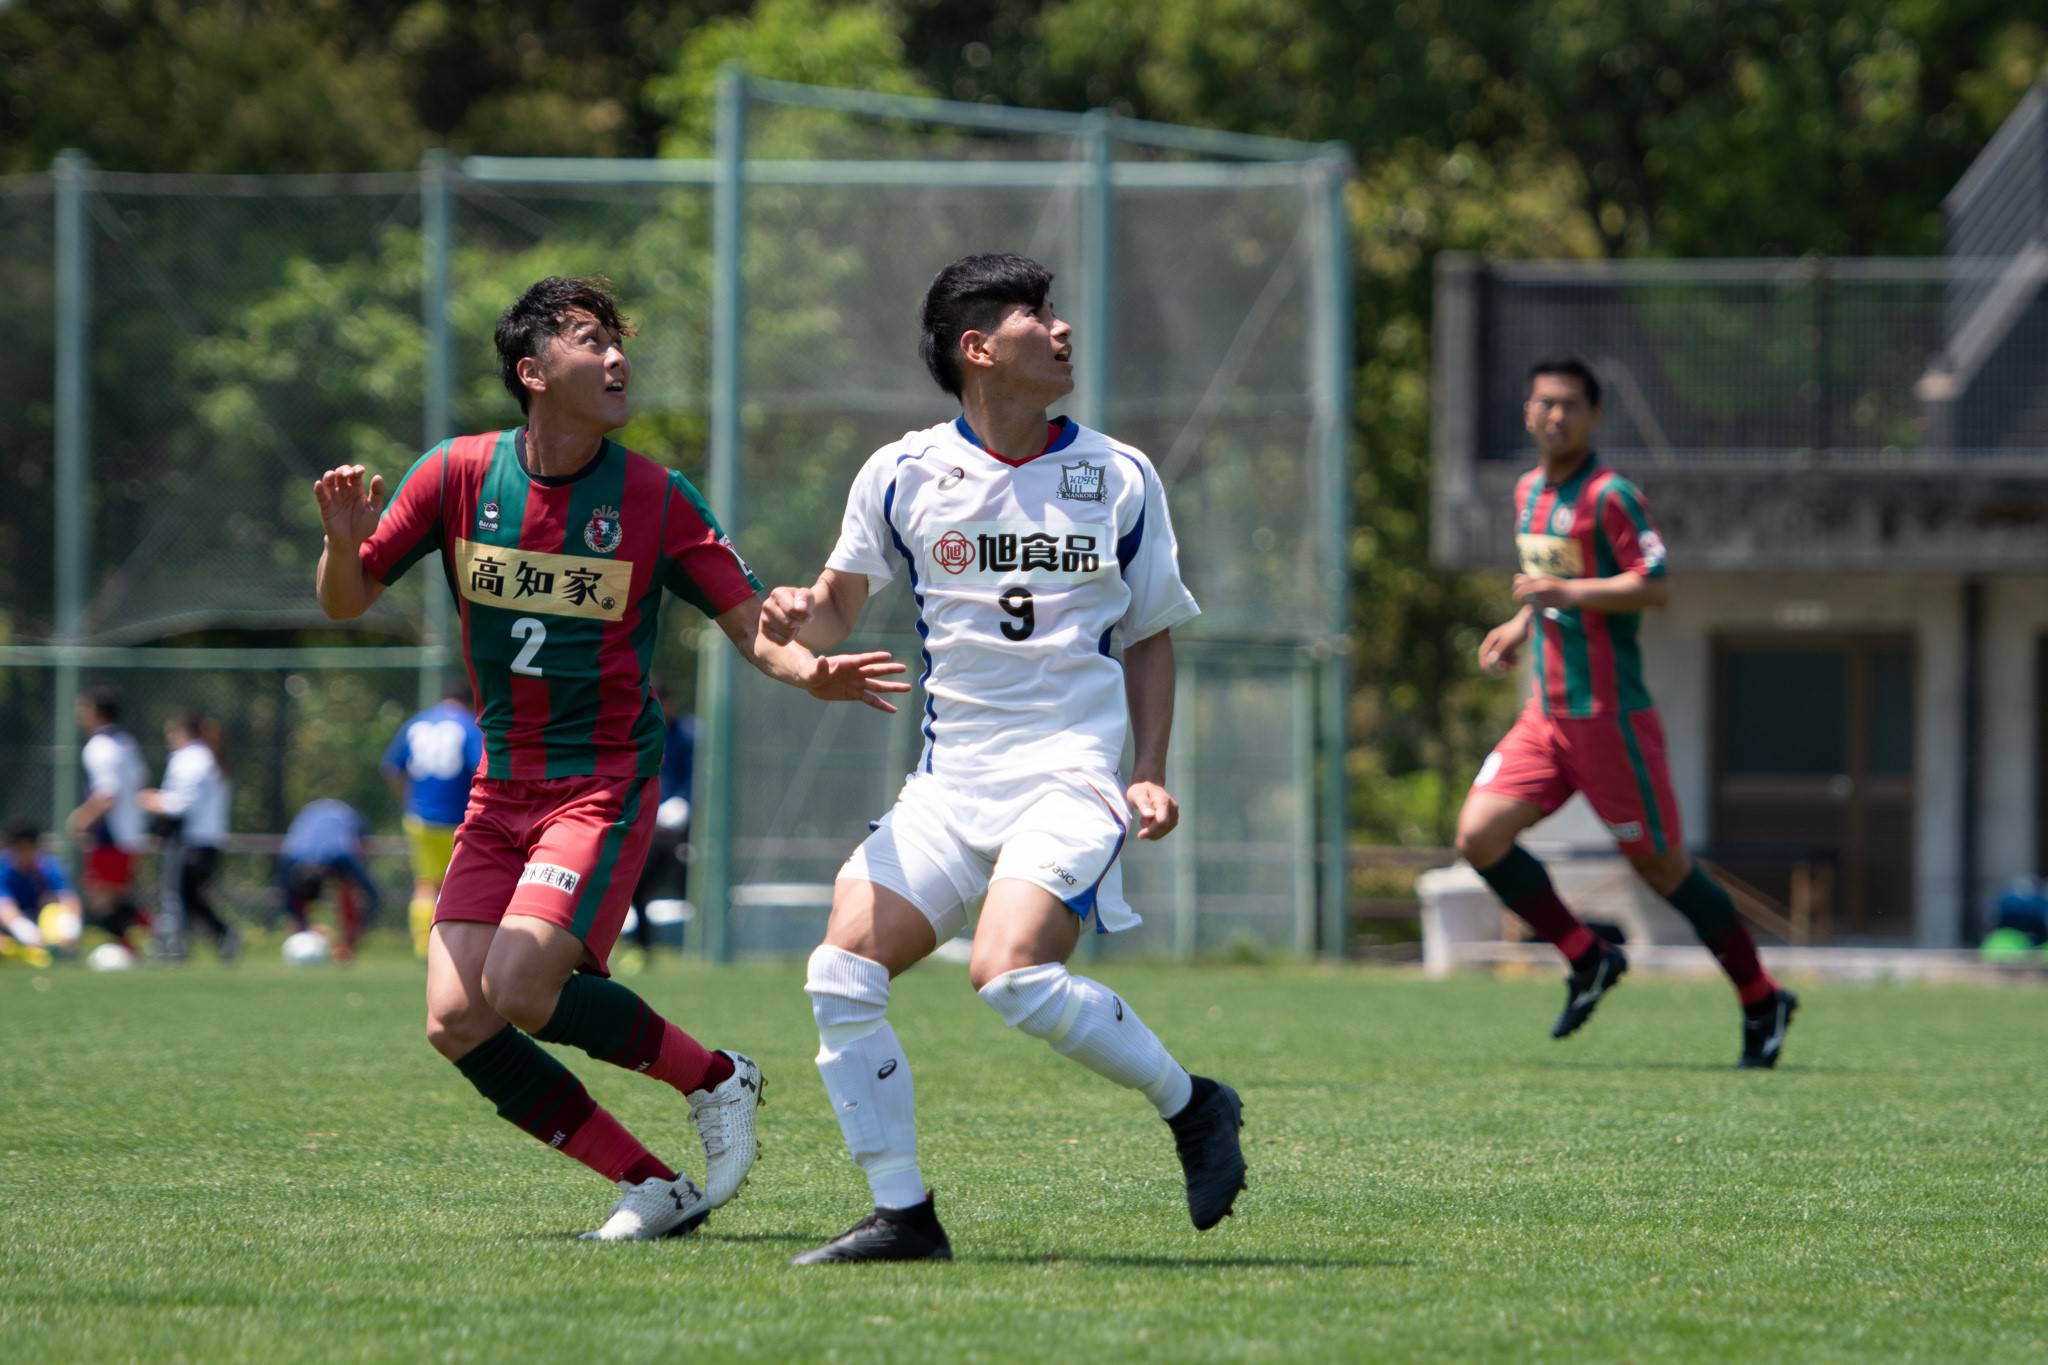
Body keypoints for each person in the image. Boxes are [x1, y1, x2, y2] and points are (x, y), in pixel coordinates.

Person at [311, 275, 909, 1241]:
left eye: (619, 340)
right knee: (456, 1018)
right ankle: (654, 1184)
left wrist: (809, 670)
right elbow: (346, 599)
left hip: (601, 784)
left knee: (518, 985)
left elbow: (751, 624)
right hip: (500, 787)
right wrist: (342, 546)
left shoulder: (655, 498)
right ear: (533, 371)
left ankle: (715, 1077)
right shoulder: (456, 474)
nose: (618, 356)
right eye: (590, 340)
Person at [762, 253, 1247, 1264]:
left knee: (1009, 972)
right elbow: (836, 603)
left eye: (1055, 310)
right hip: (947, 789)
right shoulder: (900, 472)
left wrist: (1149, 768)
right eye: (1036, 313)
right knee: (839, 973)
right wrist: (802, 615)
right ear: (977, 348)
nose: (1061, 329)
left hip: (1069, 778)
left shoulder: (1118, 474)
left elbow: (1150, 633)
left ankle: (1192, 1103)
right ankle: (903, 1216)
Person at [1456, 354, 1798, 1068]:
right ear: (1528, 411)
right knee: (1479, 836)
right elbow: (1547, 585)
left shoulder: (1611, 496)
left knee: (1663, 870)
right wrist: (1520, 626)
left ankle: (1761, 996)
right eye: (1545, 403)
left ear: (1594, 416)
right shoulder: (1527, 492)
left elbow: (1655, 584)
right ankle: (1588, 955)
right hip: (1546, 719)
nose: (1556, 415)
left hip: (1610, 722)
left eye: (1570, 405)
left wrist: (1567, 594)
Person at [382, 684, 485, 958]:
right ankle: (460, 946)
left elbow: (391, 767)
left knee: (426, 883)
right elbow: (481, 768)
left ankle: (423, 946)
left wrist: (408, 800)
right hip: (460, 819)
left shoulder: (417, 722)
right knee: (464, 884)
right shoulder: (468, 726)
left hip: (419, 819)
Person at [141, 710, 236, 962]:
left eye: (171, 733)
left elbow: (181, 804)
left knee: (174, 894)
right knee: (191, 897)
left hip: (188, 839)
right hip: (210, 840)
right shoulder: (209, 757)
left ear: (184, 732)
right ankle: (223, 934)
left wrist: (151, 801)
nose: (169, 739)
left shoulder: (188, 758)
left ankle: (174, 946)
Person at [64, 682, 152, 953]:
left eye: (84, 707)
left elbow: (107, 795)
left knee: (100, 899)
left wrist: (80, 819)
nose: (80, 713)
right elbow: (141, 781)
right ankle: (134, 946)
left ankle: (158, 932)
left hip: (112, 833)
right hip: (132, 830)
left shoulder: (99, 747)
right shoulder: (126, 742)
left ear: (96, 711)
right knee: (113, 896)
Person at [627, 685, 694, 958]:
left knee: (689, 884)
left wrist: (684, 802)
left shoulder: (688, 734)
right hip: (651, 828)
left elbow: (698, 775)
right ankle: (643, 947)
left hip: (683, 830)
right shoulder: (640, 733)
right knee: (638, 885)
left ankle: (698, 945)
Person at [276, 797, 382, 961]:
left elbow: (372, 894)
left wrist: (356, 931)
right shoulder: (289, 861)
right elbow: (288, 902)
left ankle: (347, 946)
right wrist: (306, 928)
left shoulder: (342, 857)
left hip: (348, 814)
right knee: (295, 902)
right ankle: (306, 936)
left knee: (349, 888)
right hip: (310, 813)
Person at [0, 819, 80, 966]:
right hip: (10, 927)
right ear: (10, 848)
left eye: (28, 848)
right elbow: (5, 909)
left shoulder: (48, 866)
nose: (24, 854)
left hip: (38, 923)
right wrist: (29, 934)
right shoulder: (2, 868)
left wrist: (69, 931)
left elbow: (68, 899)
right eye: (19, 849)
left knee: (53, 908)